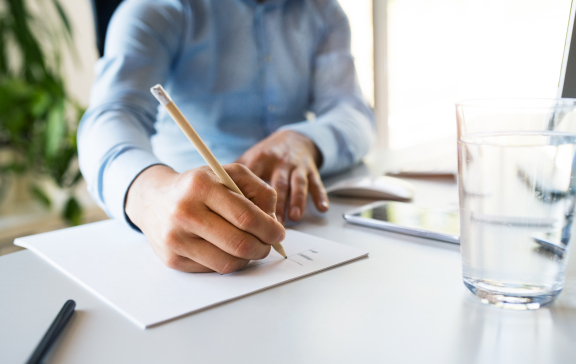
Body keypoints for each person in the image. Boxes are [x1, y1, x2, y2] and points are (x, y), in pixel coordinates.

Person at [78, 0, 375, 274]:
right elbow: (110, 116)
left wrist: (304, 140)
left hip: (306, 220)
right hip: (192, 233)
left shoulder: (322, 10)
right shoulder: (158, 8)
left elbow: (353, 111)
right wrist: (151, 196)